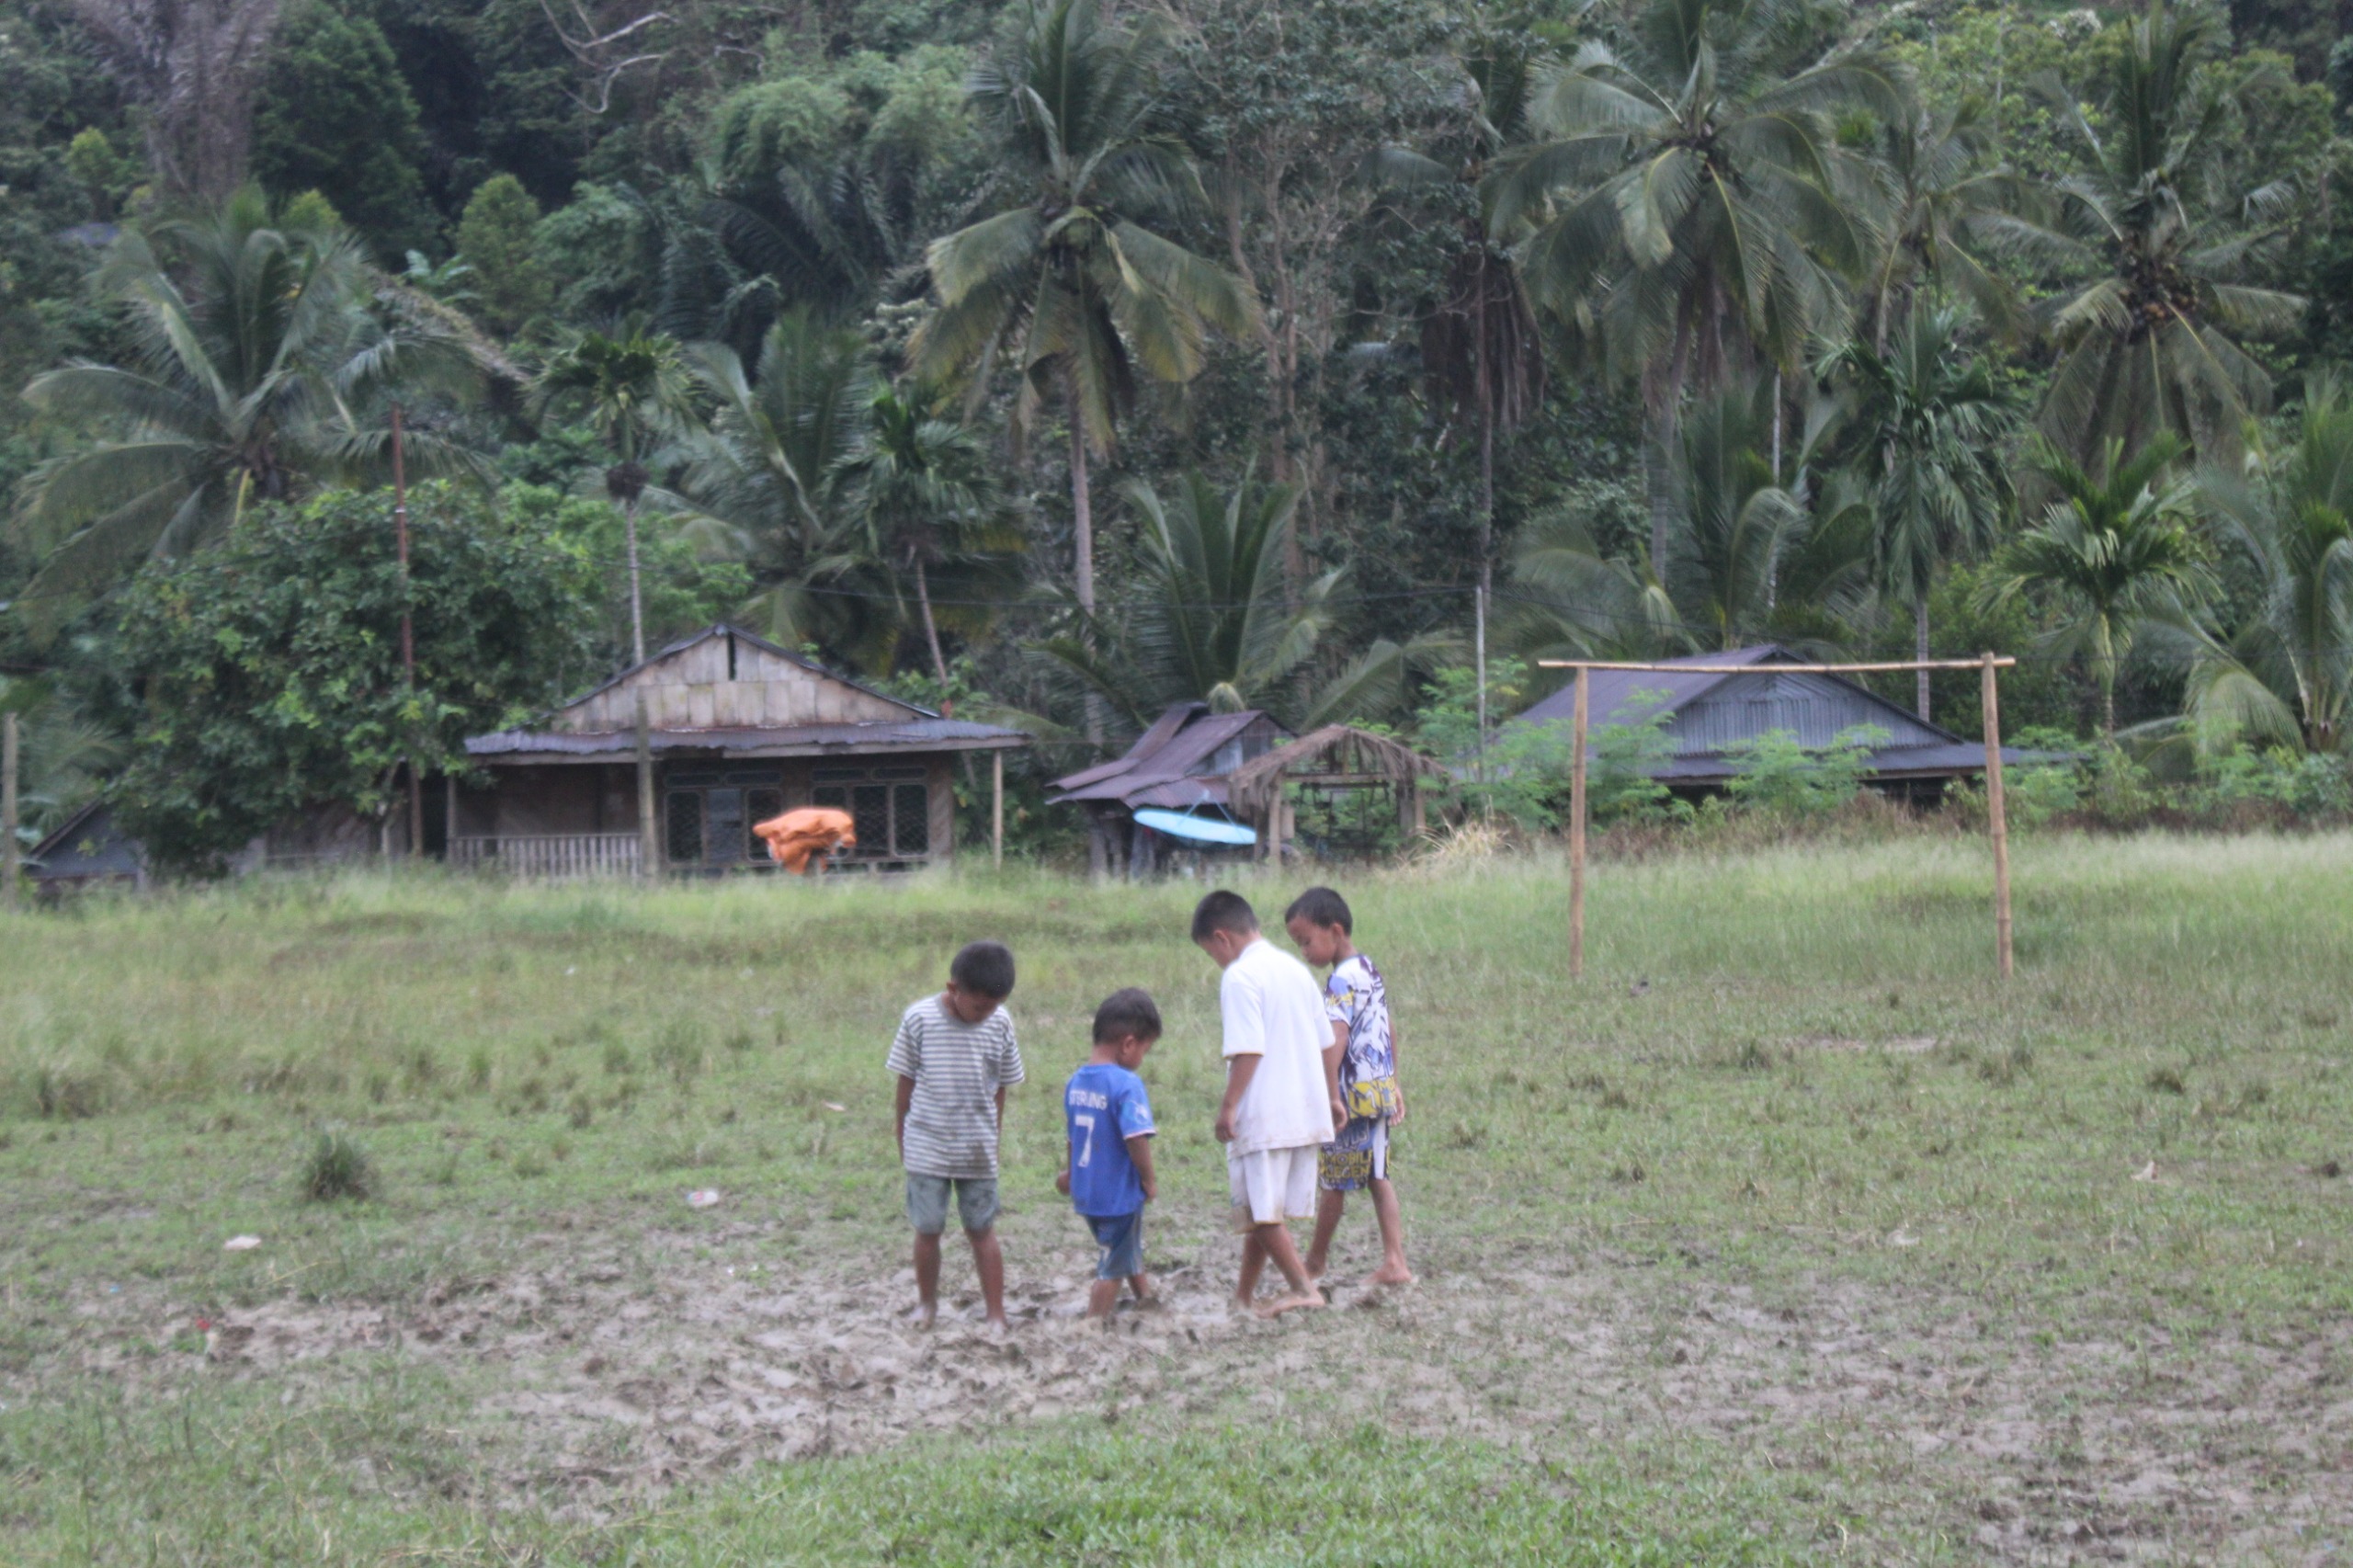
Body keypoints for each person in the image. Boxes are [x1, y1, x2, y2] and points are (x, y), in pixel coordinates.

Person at [1191, 890, 1337, 1317]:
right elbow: (1327, 1042)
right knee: (1264, 1207)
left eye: (1211, 953)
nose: (1216, 962)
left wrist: (1229, 1106)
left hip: (1265, 1112)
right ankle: (1243, 1297)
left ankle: (1302, 1287)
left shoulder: (1239, 977)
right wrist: (1331, 1096)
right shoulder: (1295, 970)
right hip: (1304, 1109)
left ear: (1222, 938)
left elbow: (1248, 1049)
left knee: (1260, 1209)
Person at [888, 939, 1025, 1329]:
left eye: (994, 1005)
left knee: (982, 1229)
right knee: (928, 1229)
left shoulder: (999, 1023)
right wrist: (903, 1137)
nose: (986, 1014)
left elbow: (1001, 1085)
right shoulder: (919, 1019)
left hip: (977, 1150)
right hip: (927, 1146)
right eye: (979, 1005)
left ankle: (996, 1312)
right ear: (953, 990)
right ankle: (926, 1304)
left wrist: (993, 1138)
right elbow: (905, 1085)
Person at [1285, 886, 1415, 1289]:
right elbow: (1388, 1028)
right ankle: (1395, 1260)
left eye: (1307, 941)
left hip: (1351, 1098)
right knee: (1377, 1175)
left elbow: (1334, 1039)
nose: (1304, 952)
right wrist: (1394, 1083)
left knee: (1334, 1182)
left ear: (1335, 930)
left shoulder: (1341, 981)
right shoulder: (1369, 969)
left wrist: (1330, 1095)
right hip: (1376, 1091)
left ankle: (1314, 1264)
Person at [1055, 988, 1162, 1320]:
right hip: (1117, 1193)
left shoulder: (1076, 1081)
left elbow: (1073, 1136)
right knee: (1112, 1263)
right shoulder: (1126, 1084)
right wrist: (1148, 1178)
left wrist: (1070, 1174)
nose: (1142, 1058)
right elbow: (1136, 1138)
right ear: (1128, 1044)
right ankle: (1093, 1323)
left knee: (1123, 1246)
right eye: (1145, 1049)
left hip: (1088, 1192)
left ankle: (1145, 1297)